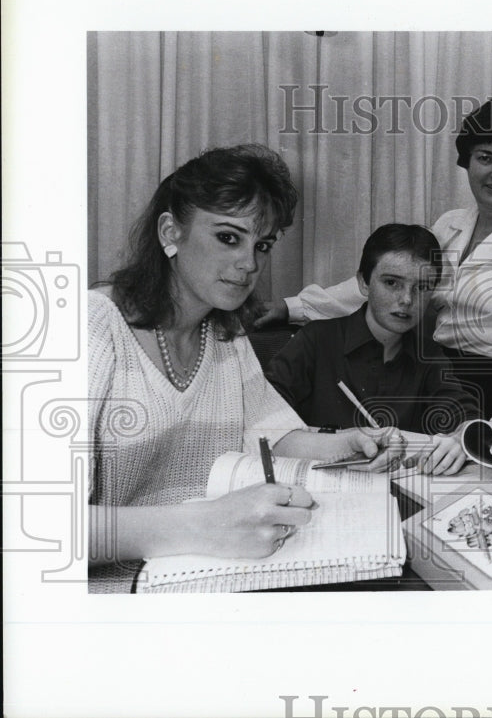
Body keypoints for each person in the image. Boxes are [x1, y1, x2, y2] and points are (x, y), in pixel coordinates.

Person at [88, 144, 396, 593]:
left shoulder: (226, 338)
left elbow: (272, 432)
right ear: (170, 231)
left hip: (207, 582)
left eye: (262, 245)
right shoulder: (94, 327)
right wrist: (204, 525)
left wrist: (344, 444)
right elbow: (33, 528)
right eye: (229, 237)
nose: (250, 264)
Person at [256, 98, 492, 428]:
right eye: (484, 158)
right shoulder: (451, 224)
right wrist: (291, 307)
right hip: (432, 374)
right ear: (467, 161)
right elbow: (382, 282)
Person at [265, 224, 479, 475]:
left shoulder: (429, 355)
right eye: (392, 283)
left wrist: (463, 437)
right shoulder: (315, 340)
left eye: (421, 287)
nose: (407, 300)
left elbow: (466, 416)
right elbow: (262, 417)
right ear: (364, 283)